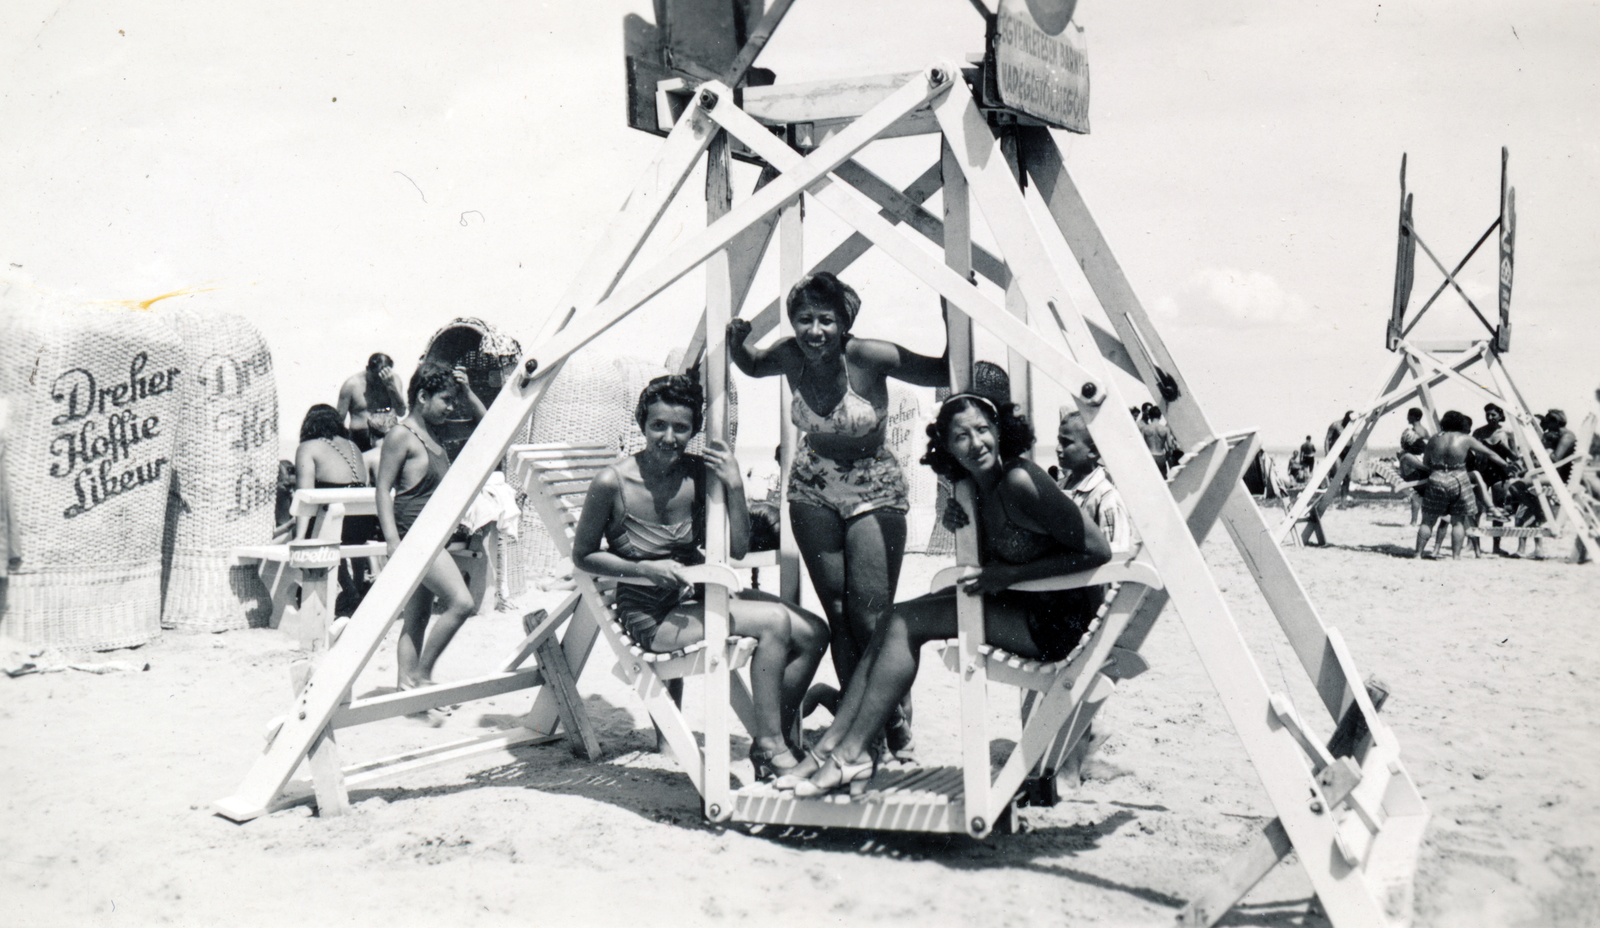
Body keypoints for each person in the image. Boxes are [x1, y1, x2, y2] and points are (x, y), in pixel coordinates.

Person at [778, 394, 1111, 797]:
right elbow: (1015, 546)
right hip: (1025, 605)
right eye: (961, 437)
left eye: (983, 430)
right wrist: (966, 526)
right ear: (948, 447)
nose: (976, 444)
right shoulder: (976, 489)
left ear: (999, 431)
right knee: (890, 619)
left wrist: (1011, 574)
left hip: (1059, 621)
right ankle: (832, 746)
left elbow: (1097, 551)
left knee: (903, 624)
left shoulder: (1021, 480)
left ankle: (851, 753)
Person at [726, 272, 947, 762]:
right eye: (804, 319)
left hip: (873, 487)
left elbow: (943, 372)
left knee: (871, 619)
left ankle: (887, 715)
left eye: (826, 319)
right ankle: (859, 729)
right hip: (812, 486)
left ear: (845, 322)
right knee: (841, 616)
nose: (814, 330)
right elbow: (754, 364)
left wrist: (953, 314)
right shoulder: (789, 355)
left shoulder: (870, 356)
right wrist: (736, 342)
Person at [571, 376, 828, 779]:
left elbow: (739, 548)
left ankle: (771, 733)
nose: (669, 437)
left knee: (814, 631)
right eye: (659, 425)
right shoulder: (612, 482)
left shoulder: (698, 475)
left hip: (698, 596)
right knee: (777, 622)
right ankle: (771, 745)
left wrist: (736, 485)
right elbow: (582, 555)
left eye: (681, 428)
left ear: (693, 430)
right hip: (650, 614)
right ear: (642, 423)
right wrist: (645, 569)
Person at [374, 363, 486, 716]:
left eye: (454, 401)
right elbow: (382, 489)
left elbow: (487, 426)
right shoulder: (401, 435)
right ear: (422, 397)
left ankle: (407, 693)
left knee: (418, 617)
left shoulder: (435, 434)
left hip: (432, 535)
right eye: (445, 400)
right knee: (462, 603)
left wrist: (467, 394)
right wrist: (392, 540)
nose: (451, 408)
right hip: (414, 536)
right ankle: (421, 678)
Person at [294, 404, 381, 616]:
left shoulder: (308, 447)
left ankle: (347, 591)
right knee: (333, 523)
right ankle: (355, 588)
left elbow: (305, 498)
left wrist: (298, 538)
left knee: (318, 528)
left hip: (336, 527)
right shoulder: (354, 447)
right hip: (362, 526)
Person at [1414, 410, 1508, 560]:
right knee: (1457, 521)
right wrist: (1506, 465)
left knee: (1427, 521)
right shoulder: (1466, 439)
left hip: (1437, 478)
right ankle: (1456, 556)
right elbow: (1491, 454)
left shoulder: (1433, 439)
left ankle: (1418, 554)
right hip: (1458, 478)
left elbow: (1426, 463)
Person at [1057, 410, 1134, 555]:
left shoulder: (1106, 498)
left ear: (1093, 450)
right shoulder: (1059, 487)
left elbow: (1115, 555)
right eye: (1059, 441)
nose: (1058, 449)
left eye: (1066, 442)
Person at [338, 353, 409, 452]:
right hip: (360, 440)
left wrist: (391, 386)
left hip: (387, 437)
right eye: (374, 377)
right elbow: (339, 420)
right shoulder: (352, 385)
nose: (377, 383)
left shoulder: (393, 381)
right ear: (367, 369)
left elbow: (401, 412)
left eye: (380, 378)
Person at [1399, 408, 1431, 525]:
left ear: (1412, 416)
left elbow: (1417, 446)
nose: (1407, 418)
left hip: (1416, 465)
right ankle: (1415, 521)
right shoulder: (1424, 430)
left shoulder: (1415, 431)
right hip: (1419, 463)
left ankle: (1413, 521)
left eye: (1408, 416)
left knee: (1416, 493)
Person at [1541, 409, 1577, 485]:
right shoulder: (1563, 435)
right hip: (1559, 474)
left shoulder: (1567, 436)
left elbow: (1555, 458)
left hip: (1562, 478)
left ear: (1555, 422)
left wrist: (1548, 448)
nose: (1547, 428)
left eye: (1548, 423)